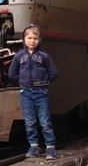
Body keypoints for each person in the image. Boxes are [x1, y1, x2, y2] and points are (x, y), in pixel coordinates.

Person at [8, 23, 59, 159]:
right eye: (29, 38)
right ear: (24, 39)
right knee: (29, 121)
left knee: (45, 121)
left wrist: (44, 81)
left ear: (39, 40)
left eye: (35, 38)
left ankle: (50, 148)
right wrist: (22, 81)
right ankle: (34, 147)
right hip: (26, 93)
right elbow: (11, 74)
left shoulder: (44, 56)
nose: (32, 41)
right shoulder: (19, 56)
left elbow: (53, 73)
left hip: (41, 91)